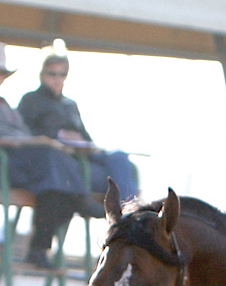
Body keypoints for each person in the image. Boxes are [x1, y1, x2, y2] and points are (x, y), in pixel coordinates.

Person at [0, 42, 99, 268]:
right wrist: (28, 140)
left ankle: (40, 248)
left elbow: (18, 132)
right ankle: (79, 199)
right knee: (50, 162)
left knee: (57, 188)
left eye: (0, 72)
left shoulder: (1, 103)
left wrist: (27, 139)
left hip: (5, 159)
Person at [17, 52, 139, 200]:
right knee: (106, 171)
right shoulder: (31, 100)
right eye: (52, 73)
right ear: (42, 75)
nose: (58, 78)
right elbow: (25, 132)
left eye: (63, 74)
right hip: (59, 156)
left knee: (119, 156)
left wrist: (85, 143)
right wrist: (59, 135)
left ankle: (128, 208)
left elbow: (84, 135)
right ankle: (122, 208)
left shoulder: (70, 105)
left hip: (84, 153)